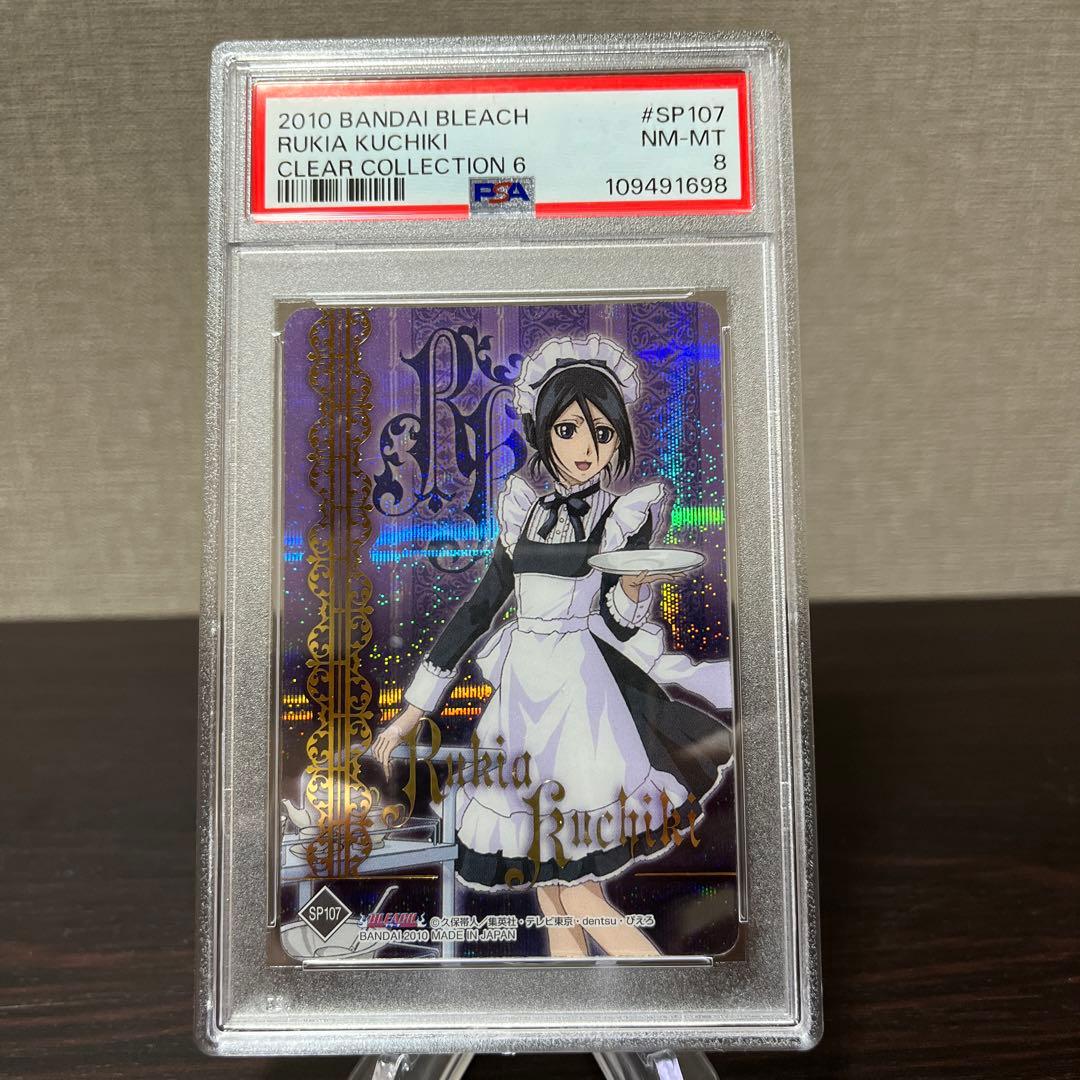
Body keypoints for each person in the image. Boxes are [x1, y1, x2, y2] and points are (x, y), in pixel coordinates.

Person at [372, 333, 732, 957]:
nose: (586, 449)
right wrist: (413, 711)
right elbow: (479, 609)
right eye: (568, 431)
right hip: (520, 701)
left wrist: (634, 589)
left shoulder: (622, 515)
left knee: (580, 889)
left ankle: (663, 996)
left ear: (618, 439)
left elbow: (619, 621)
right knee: (549, 891)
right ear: (544, 435)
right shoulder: (523, 510)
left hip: (581, 700)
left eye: (602, 433)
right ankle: (577, 1001)